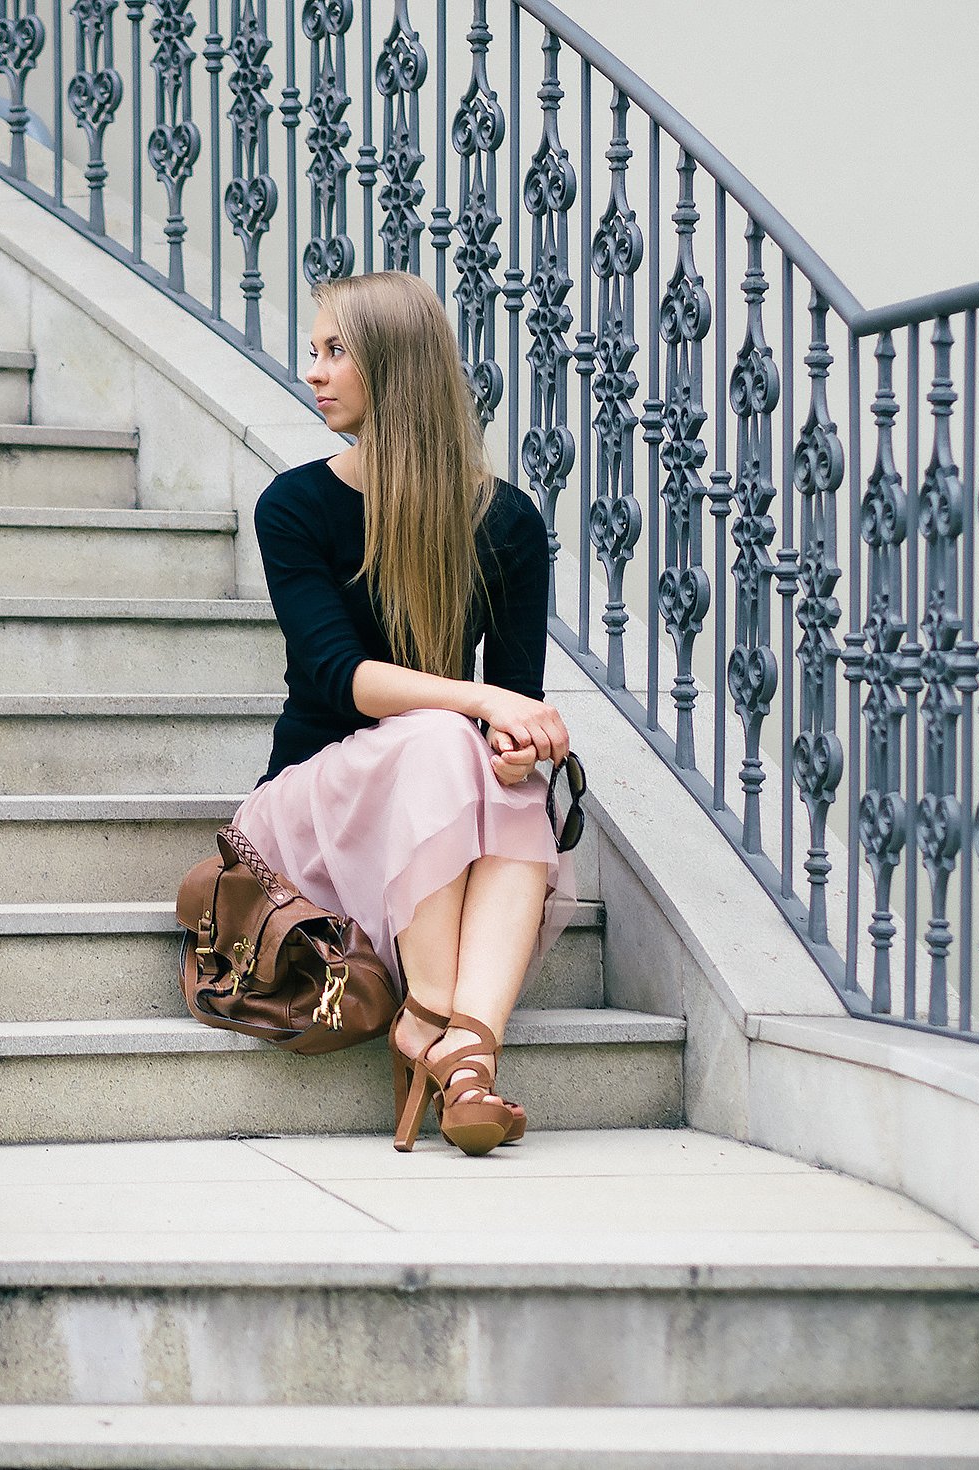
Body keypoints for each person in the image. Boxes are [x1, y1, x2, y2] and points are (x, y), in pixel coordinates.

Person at [233, 270, 577, 1158]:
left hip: (437, 811)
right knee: (438, 733)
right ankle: (428, 1015)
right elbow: (337, 677)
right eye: (315, 351)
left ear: (396, 365)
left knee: (507, 775)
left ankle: (465, 1052)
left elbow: (511, 699)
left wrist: (513, 743)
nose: (314, 371)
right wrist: (480, 704)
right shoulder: (296, 507)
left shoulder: (506, 521)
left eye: (336, 351)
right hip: (310, 816)